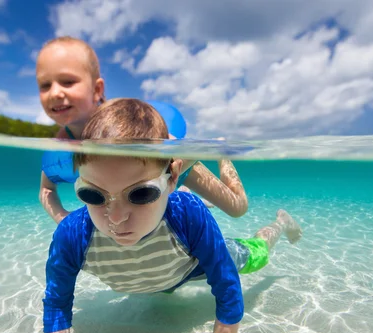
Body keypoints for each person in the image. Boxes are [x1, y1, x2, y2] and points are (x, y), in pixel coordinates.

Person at [42, 99, 302, 333]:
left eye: (140, 193)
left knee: (257, 255)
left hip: (191, 265)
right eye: (93, 194)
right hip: (160, 276)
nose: (116, 218)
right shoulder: (72, 235)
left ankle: (279, 222)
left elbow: (228, 292)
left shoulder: (188, 215)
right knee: (161, 286)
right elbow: (57, 304)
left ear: (173, 178)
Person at [36, 36, 248, 225]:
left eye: (68, 81)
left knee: (238, 208)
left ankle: (220, 154)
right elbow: (46, 190)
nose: (54, 92)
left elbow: (182, 153)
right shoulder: (59, 150)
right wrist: (62, 218)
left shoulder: (123, 121)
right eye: (45, 85)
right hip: (146, 190)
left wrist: (166, 182)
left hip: (177, 167)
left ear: (97, 89)